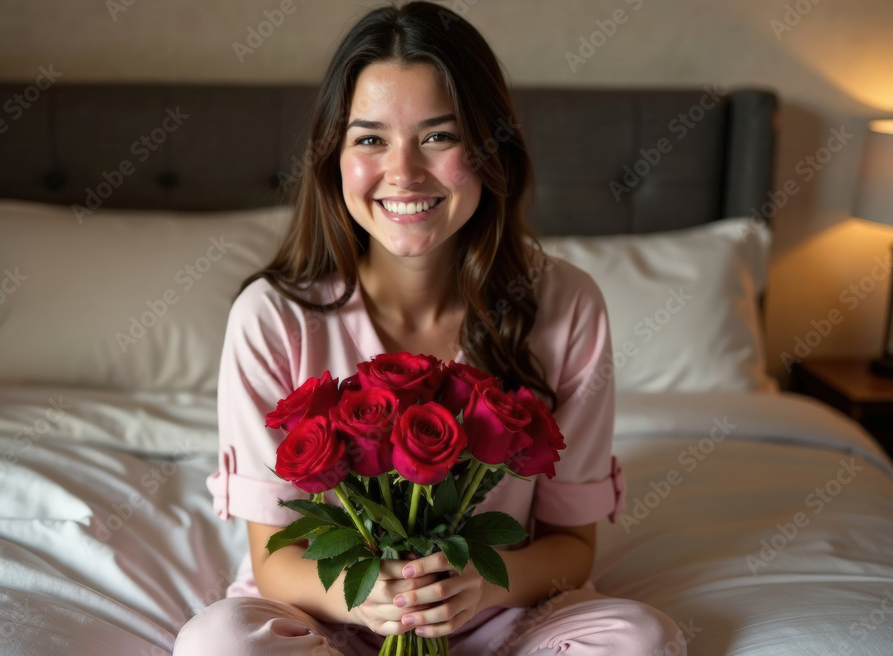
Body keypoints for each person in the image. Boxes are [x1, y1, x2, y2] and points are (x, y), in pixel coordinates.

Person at [174, 2, 684, 654]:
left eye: (439, 137)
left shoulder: (566, 304)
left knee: (642, 639)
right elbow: (277, 560)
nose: (405, 172)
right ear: (333, 155)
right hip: (327, 620)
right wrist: (375, 598)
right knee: (218, 645)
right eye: (370, 139)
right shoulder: (273, 319)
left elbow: (570, 550)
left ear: (489, 147)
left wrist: (480, 585)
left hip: (503, 618)